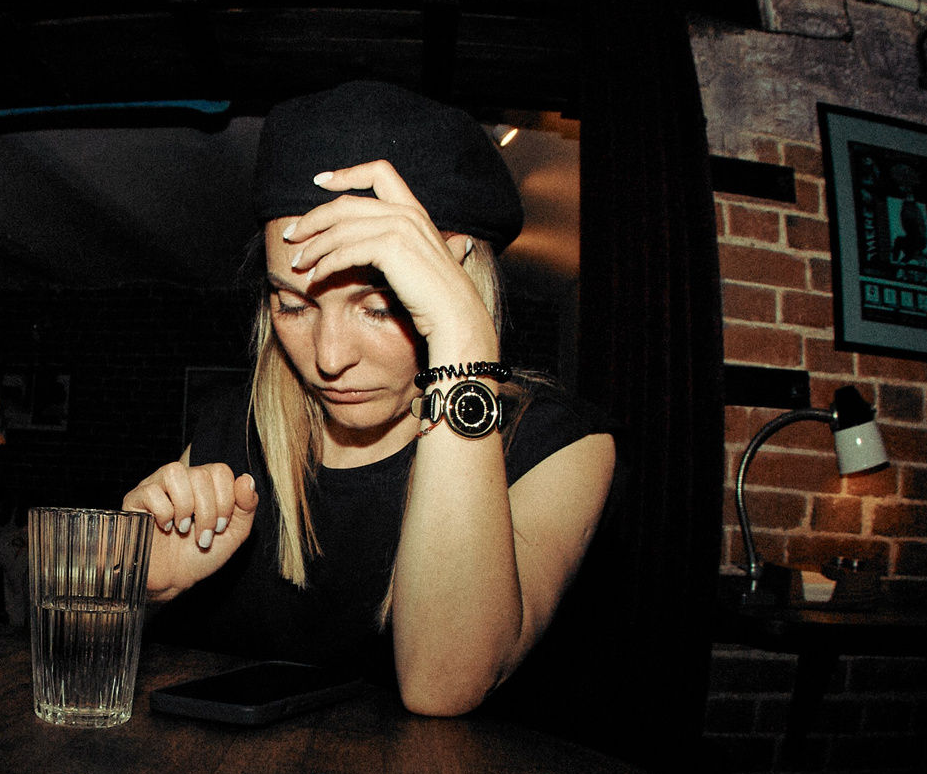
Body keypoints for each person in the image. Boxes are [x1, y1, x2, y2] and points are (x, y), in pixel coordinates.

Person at [125, 82, 616, 715]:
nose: (329, 359)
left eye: (380, 307)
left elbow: (444, 685)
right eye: (292, 305)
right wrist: (139, 589)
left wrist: (464, 339)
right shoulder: (234, 428)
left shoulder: (558, 445)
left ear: (455, 287)